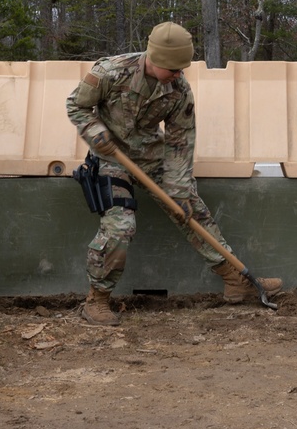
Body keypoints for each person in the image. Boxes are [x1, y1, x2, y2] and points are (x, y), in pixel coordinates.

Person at [66, 21, 283, 326]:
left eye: (183, 69)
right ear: (153, 60)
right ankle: (97, 301)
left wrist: (179, 191)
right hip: (110, 157)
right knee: (120, 226)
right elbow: (76, 106)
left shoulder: (179, 90)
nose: (179, 75)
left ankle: (236, 280)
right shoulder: (111, 72)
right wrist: (95, 131)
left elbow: (181, 142)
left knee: (190, 210)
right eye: (173, 69)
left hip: (152, 156)